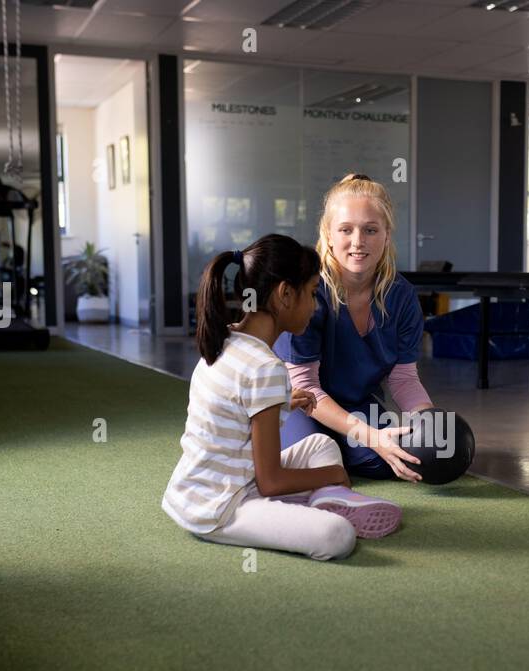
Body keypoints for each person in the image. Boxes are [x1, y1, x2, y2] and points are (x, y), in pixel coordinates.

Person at [162, 234, 402, 561]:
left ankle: (320, 500)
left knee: (322, 445)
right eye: (312, 293)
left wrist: (282, 403)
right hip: (222, 507)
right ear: (285, 295)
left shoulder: (226, 338)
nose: (315, 306)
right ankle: (326, 498)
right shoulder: (265, 367)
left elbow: (229, 406)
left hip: (197, 488)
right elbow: (271, 481)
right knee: (337, 535)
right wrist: (333, 475)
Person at [275, 173, 437, 482]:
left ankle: (344, 448)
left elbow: (403, 378)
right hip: (296, 404)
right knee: (313, 457)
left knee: (402, 457)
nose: (358, 242)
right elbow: (305, 387)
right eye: (346, 230)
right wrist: (370, 436)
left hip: (355, 404)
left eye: (371, 230)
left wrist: (427, 424)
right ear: (328, 233)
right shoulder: (306, 293)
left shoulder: (401, 296)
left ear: (387, 235)